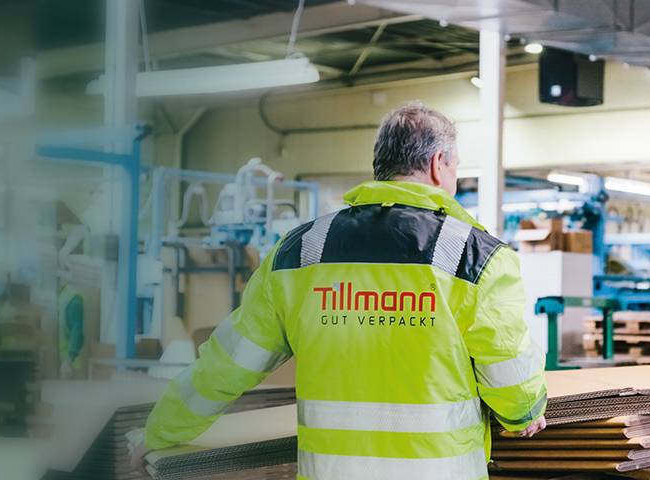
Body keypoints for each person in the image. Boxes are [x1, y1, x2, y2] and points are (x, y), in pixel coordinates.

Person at [134, 103, 547, 479]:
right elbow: (510, 377)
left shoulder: (300, 252)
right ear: (440, 164)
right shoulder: (474, 257)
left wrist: (160, 431)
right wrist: (524, 411)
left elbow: (225, 365)